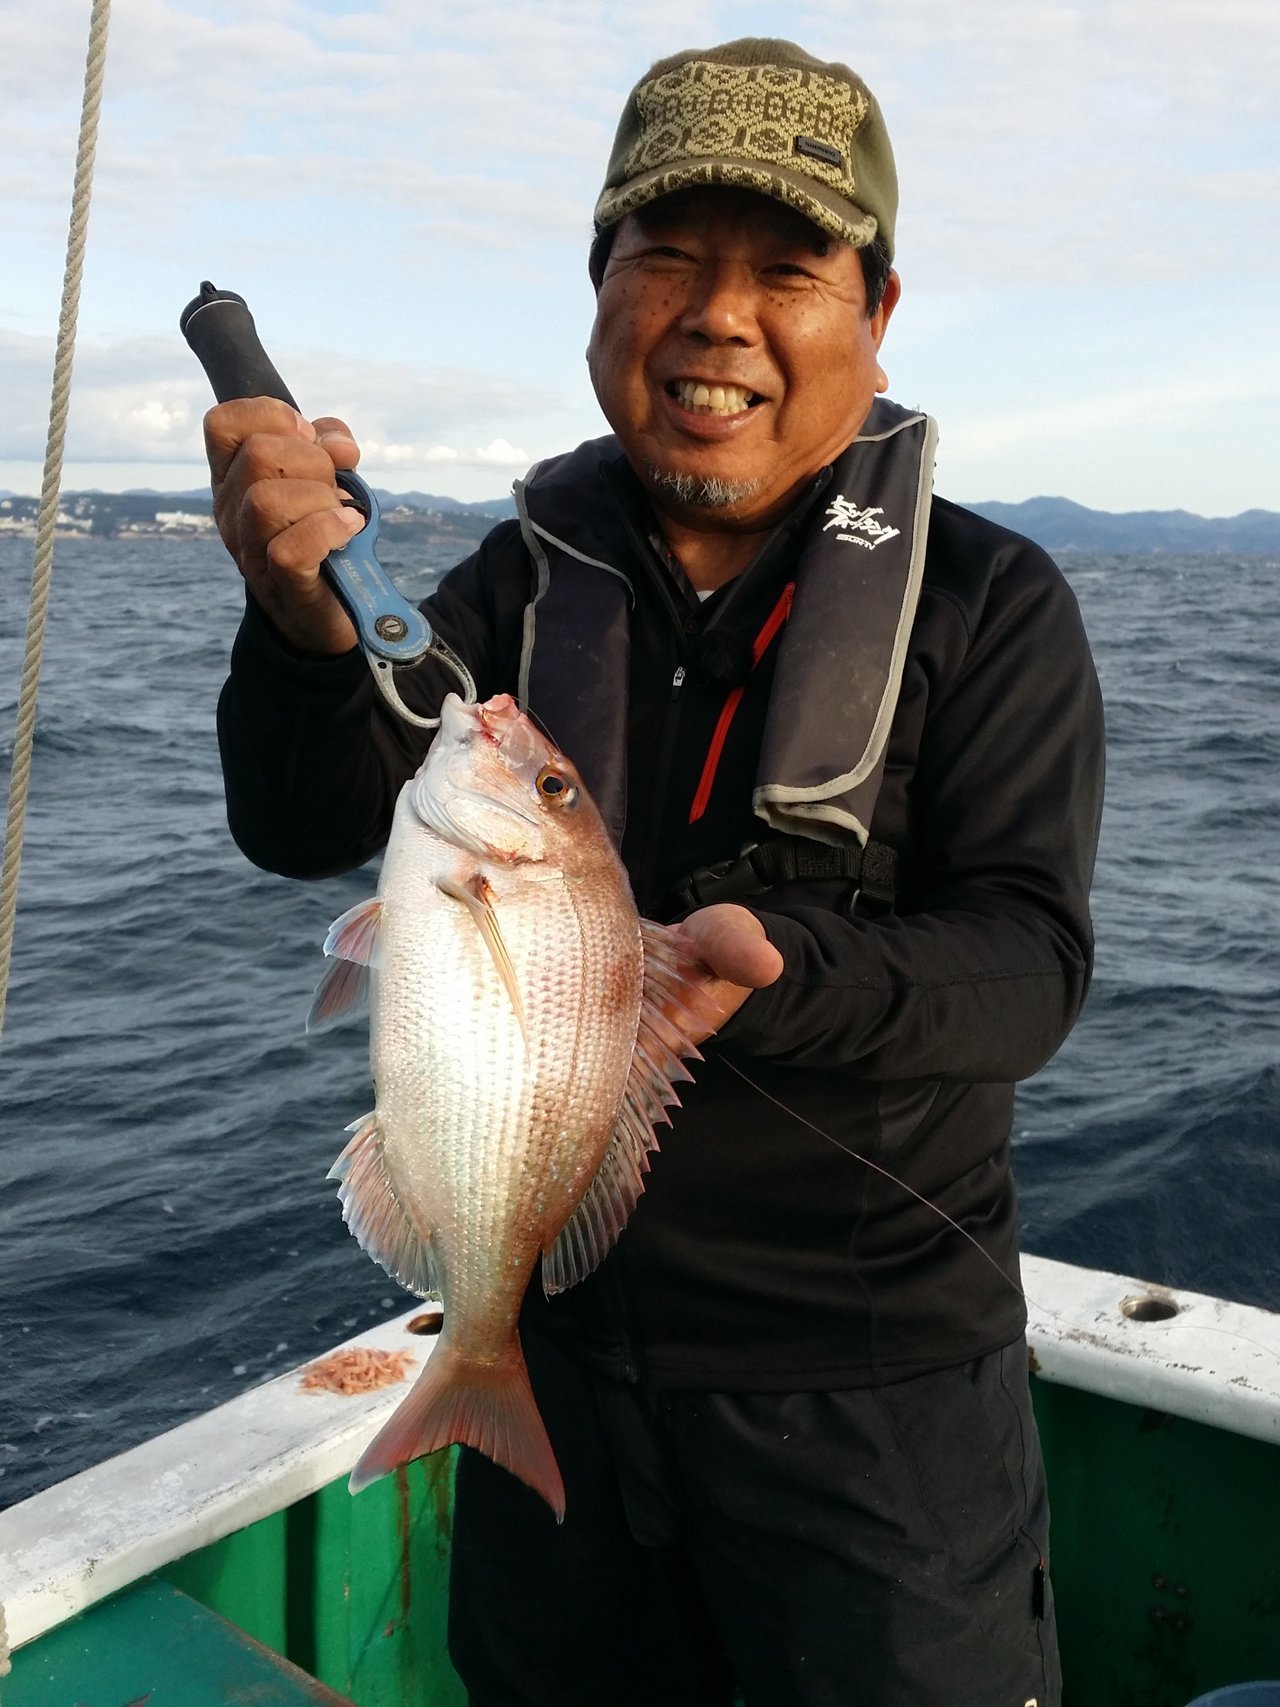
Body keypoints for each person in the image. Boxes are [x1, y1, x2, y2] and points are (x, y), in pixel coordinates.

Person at [207, 36, 1103, 1707]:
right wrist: (292, 633)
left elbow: (1031, 966)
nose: (720, 315)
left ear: (878, 314)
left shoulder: (992, 604)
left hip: (874, 1416)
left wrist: (797, 972)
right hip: (556, 1372)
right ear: (601, 286)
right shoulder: (509, 586)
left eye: (788, 269)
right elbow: (297, 815)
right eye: (669, 255)